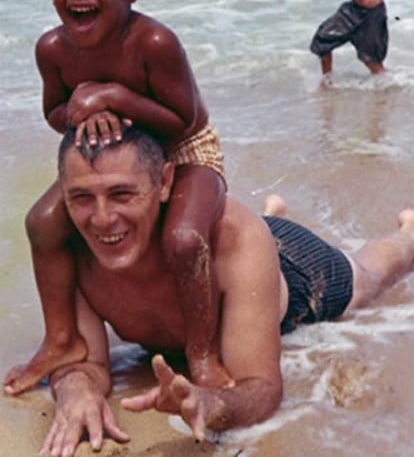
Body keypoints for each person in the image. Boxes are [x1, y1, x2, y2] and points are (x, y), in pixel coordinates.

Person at [9, 125, 414, 457]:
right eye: (81, 197)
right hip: (233, 259)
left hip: (291, 268)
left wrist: (213, 404)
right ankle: (272, 214)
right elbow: (81, 357)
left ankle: (406, 234)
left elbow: (261, 387)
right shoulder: (70, 248)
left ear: (165, 181)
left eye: (122, 194)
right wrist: (75, 389)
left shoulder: (233, 241)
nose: (102, 219)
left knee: (370, 278)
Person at [4, 0, 229, 395]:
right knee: (42, 223)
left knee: (185, 239)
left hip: (186, 151)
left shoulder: (153, 42)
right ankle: (62, 338)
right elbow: (54, 112)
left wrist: (111, 96)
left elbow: (183, 120)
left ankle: (202, 353)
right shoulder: (52, 49)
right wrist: (82, 107)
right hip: (113, 160)